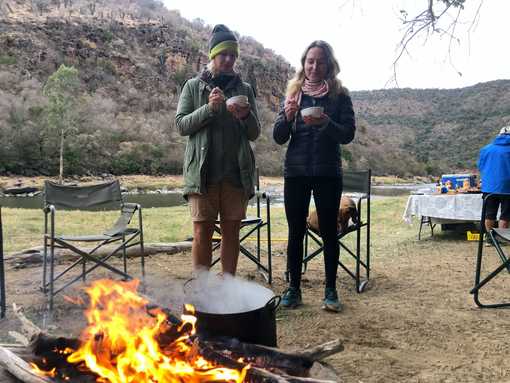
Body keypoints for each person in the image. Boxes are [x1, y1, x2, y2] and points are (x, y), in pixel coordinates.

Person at [273, 40, 356, 312]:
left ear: (329, 65)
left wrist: (326, 122)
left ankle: (330, 291)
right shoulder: (293, 93)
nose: (314, 66)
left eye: (320, 61)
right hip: (295, 173)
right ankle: (293, 288)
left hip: (328, 173)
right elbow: (278, 137)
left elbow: (348, 134)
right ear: (303, 63)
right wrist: (286, 117)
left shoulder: (340, 96)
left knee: (330, 233)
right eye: (310, 61)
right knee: (296, 231)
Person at [175, 24, 260, 276]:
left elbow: (254, 133)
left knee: (232, 232)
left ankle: (228, 290)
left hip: (236, 174)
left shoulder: (244, 89)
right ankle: (202, 292)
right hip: (203, 174)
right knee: (202, 232)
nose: (228, 59)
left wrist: (246, 116)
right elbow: (181, 125)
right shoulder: (192, 86)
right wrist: (209, 109)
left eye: (233, 55)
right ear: (212, 55)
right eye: (223, 54)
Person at [477, 126, 510, 244]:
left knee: (489, 214)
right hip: (507, 188)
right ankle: (503, 238)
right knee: (506, 215)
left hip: (489, 187)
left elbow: (481, 167)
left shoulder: (486, 149)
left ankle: (490, 239)